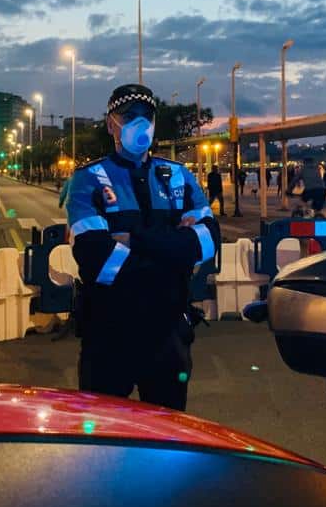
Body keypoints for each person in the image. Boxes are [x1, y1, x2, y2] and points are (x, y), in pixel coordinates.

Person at [65, 84, 218, 411]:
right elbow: (97, 260)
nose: (139, 124)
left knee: (169, 443)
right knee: (103, 439)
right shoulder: (88, 179)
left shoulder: (177, 176)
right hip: (108, 335)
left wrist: (133, 240)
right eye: (128, 116)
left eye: (146, 116)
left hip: (168, 334)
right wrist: (174, 250)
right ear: (111, 124)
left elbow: (208, 243)